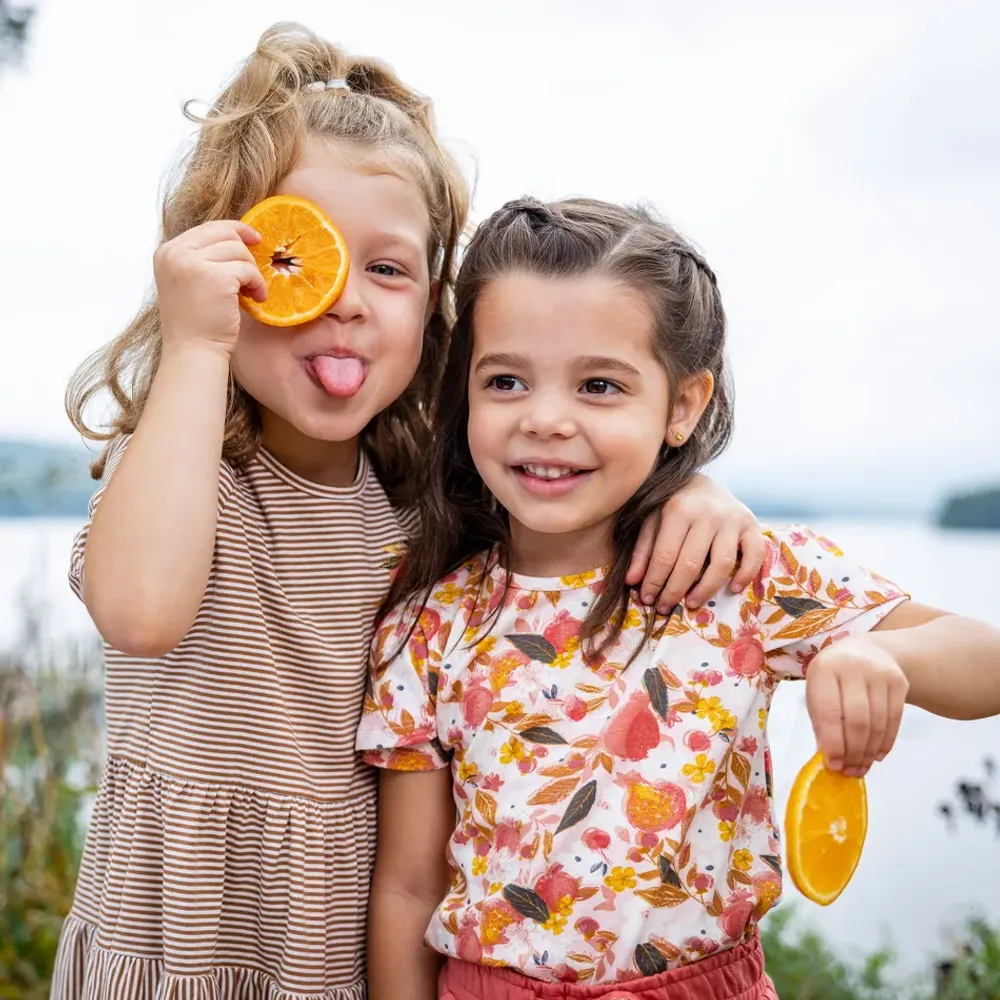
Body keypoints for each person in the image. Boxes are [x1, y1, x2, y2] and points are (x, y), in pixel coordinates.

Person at [51, 26, 763, 1000]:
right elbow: (139, 609)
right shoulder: (180, 474)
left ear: (433, 309)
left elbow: (572, 506)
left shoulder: (419, 509)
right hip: (173, 937)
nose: (346, 302)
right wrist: (193, 345)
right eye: (304, 255)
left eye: (386, 271)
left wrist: (691, 487)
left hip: (338, 945)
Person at [358, 197, 1000, 1000]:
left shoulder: (741, 574)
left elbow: (986, 661)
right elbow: (408, 888)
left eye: (599, 385)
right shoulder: (431, 620)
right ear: (468, 394)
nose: (546, 418)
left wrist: (875, 649)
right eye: (507, 380)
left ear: (684, 405)